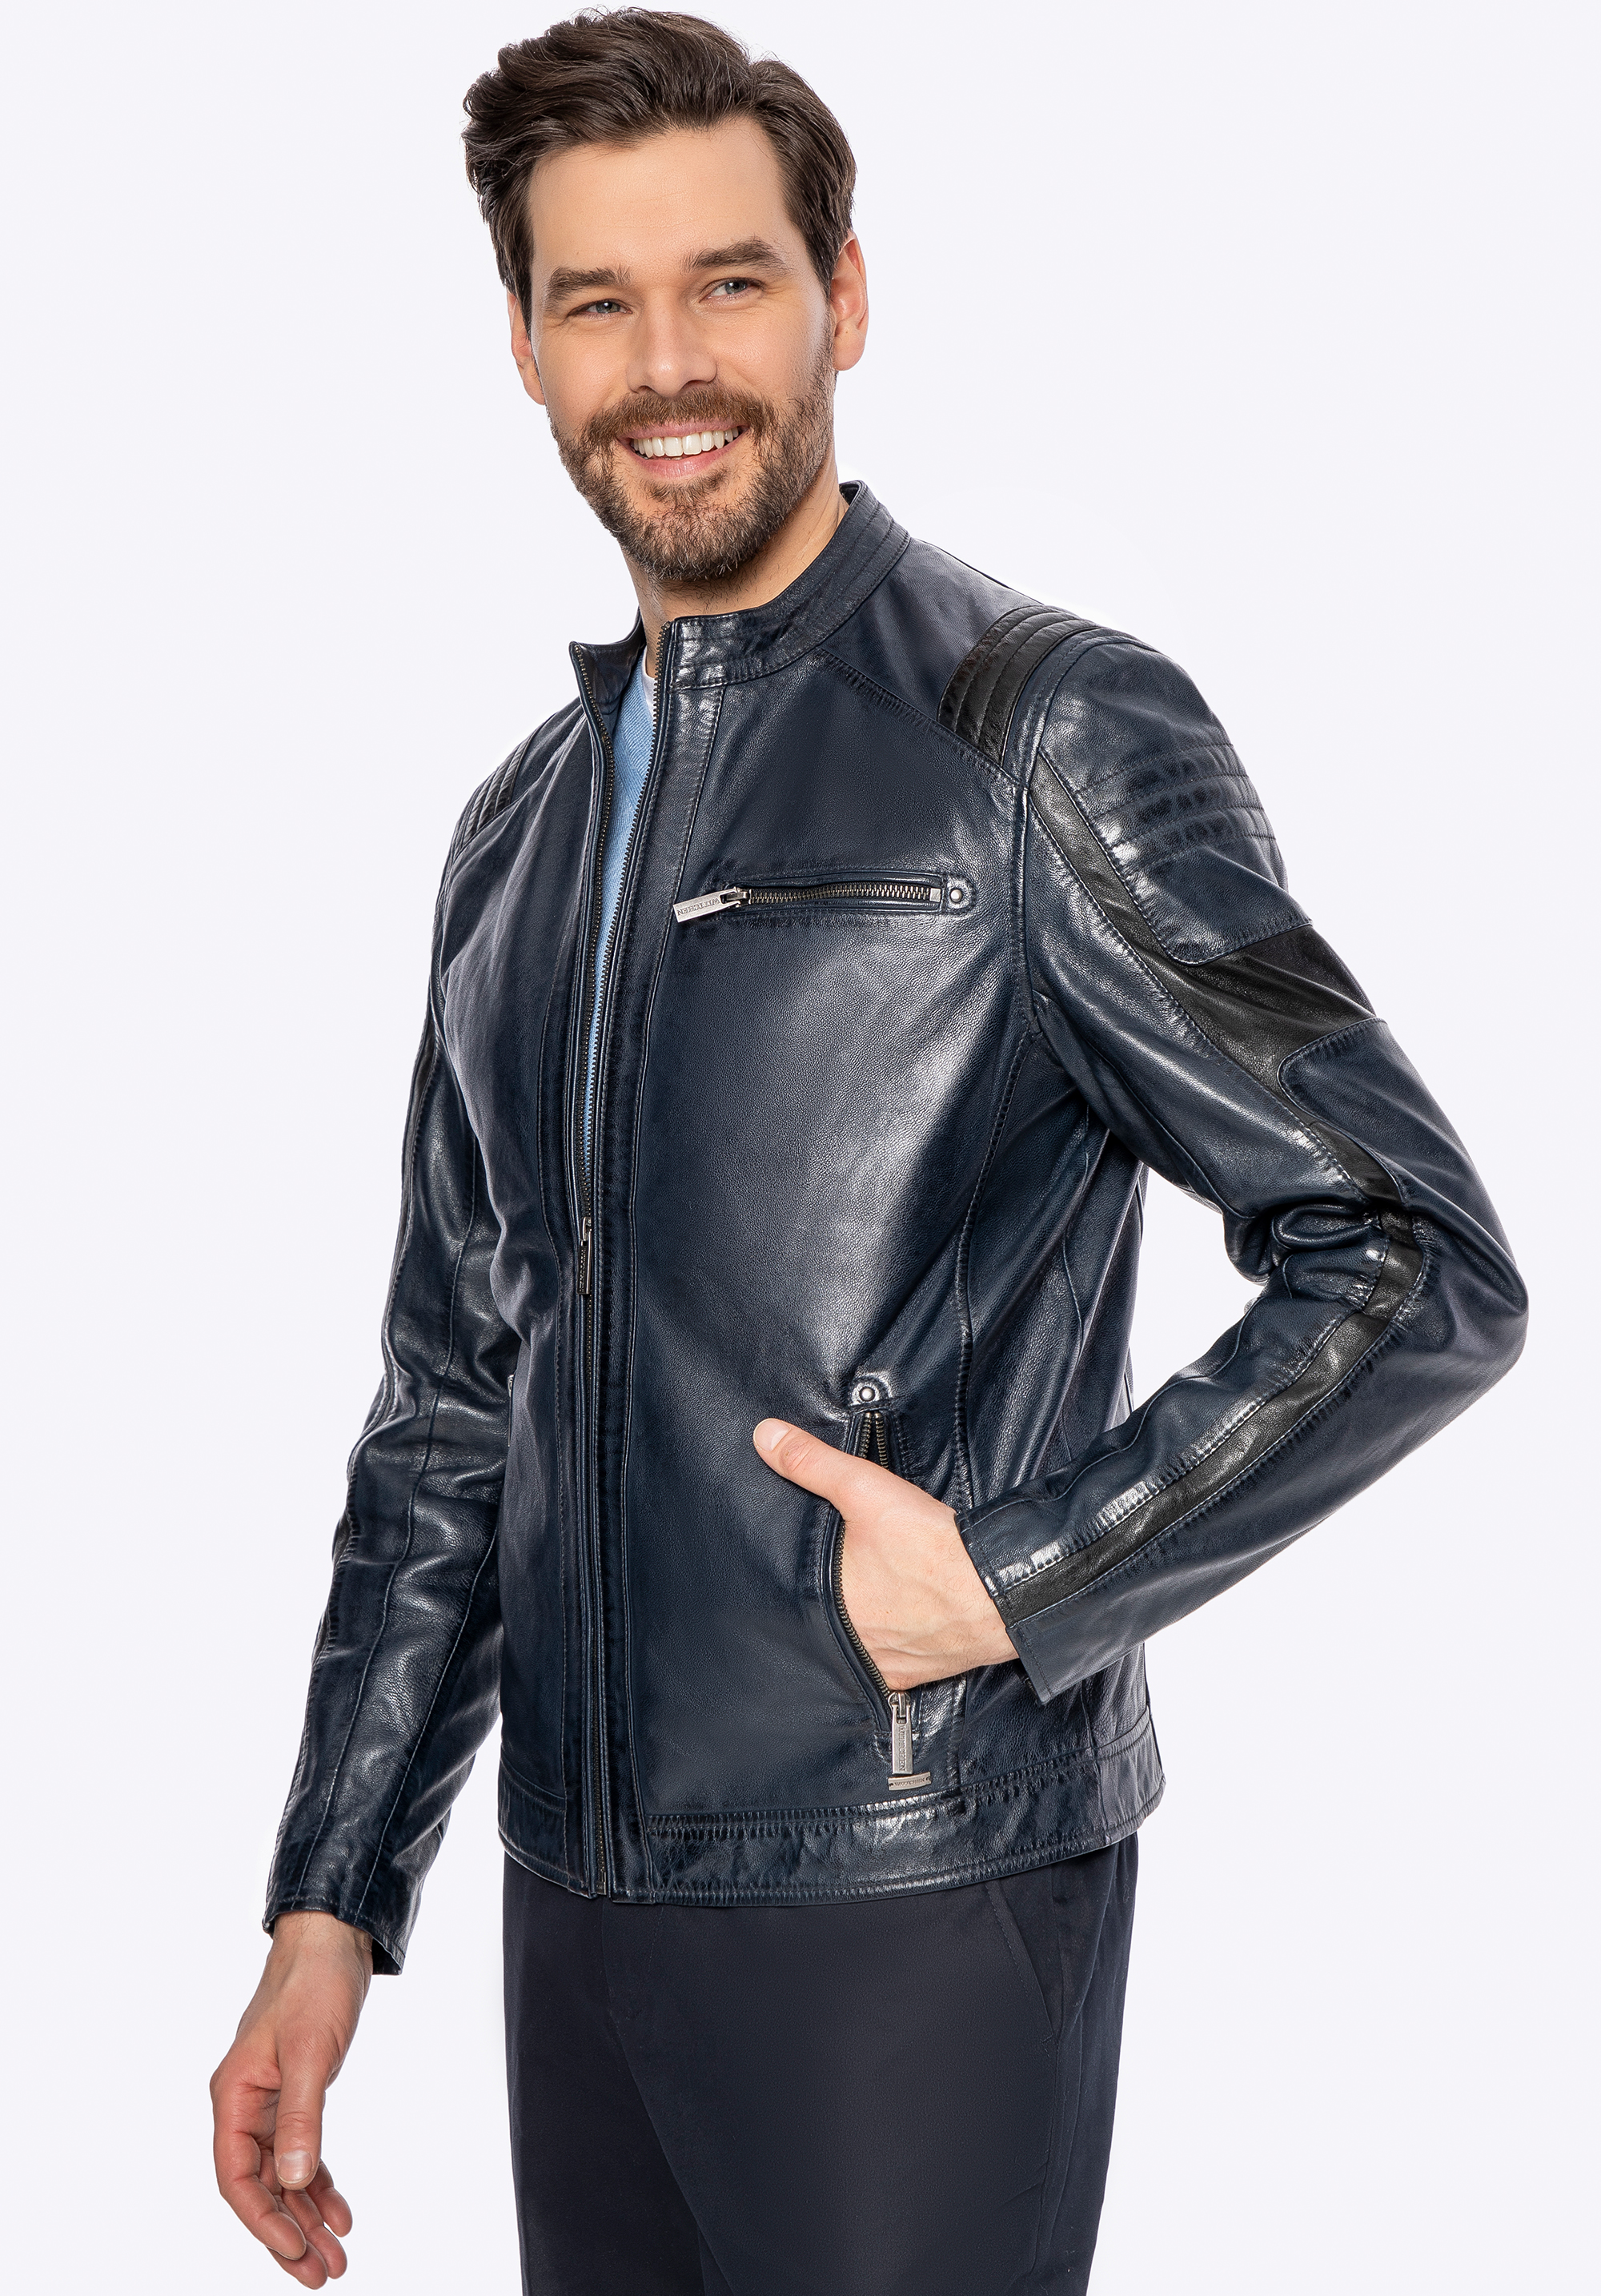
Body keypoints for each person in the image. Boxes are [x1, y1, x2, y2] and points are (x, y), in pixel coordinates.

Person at [209, 12, 1528, 2291]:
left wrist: (1024, 1576)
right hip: (573, 1910)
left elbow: (1410, 1251)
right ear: (523, 344)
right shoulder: (517, 835)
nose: (667, 366)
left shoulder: (1038, 734)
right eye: (598, 301)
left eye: (729, 283)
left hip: (915, 1887)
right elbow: (449, 1412)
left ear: (842, 294)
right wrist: (332, 1897)